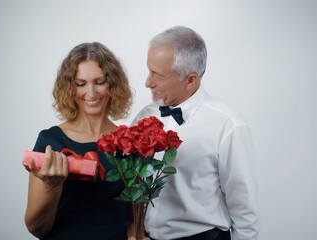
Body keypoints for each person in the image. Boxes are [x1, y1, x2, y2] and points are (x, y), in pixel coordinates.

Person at [133, 26, 261, 240]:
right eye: (149, 70)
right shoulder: (145, 115)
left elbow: (245, 212)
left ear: (191, 80)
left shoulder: (228, 126)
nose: (148, 82)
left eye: (157, 75)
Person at [24, 42, 137, 239]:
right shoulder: (50, 141)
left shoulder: (128, 141)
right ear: (69, 87)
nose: (91, 93)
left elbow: (133, 215)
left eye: (100, 82)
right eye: (81, 84)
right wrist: (54, 186)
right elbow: (36, 228)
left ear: (113, 84)